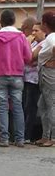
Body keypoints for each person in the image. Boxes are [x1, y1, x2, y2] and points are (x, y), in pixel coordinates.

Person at [0, 10, 32, 147]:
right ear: (13, 21)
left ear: (1, 21)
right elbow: (28, 57)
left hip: (0, 74)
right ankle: (20, 139)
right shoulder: (21, 36)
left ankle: (4, 138)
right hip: (17, 75)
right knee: (18, 107)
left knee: (2, 107)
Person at [33, 11, 55, 147]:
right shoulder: (48, 37)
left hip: (49, 74)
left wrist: (52, 63)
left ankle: (53, 137)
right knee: (43, 105)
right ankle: (45, 135)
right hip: (45, 73)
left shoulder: (52, 36)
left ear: (45, 24)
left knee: (51, 105)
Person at [23, 22, 46, 143]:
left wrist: (26, 42)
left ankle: (28, 135)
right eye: (32, 30)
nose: (33, 33)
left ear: (44, 31)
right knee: (27, 107)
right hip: (27, 78)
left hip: (35, 80)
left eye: (36, 31)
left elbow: (30, 57)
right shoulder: (34, 43)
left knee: (31, 107)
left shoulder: (43, 43)